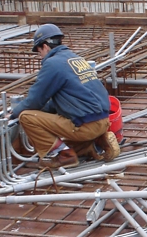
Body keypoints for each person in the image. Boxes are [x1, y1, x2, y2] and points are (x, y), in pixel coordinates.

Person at [10, 24, 121, 170]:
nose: (40, 56)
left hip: (85, 126)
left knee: (26, 117)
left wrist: (13, 115)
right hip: (104, 122)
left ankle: (65, 156)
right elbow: (60, 102)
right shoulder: (75, 59)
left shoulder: (52, 64)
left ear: (45, 46)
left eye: (39, 51)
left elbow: (34, 100)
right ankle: (94, 145)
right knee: (67, 138)